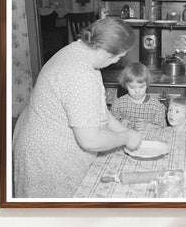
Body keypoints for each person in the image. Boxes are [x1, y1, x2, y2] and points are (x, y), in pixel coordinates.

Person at [13, 17, 142, 198]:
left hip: (36, 134)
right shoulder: (80, 75)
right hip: (47, 152)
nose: (118, 62)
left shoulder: (79, 51)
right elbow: (90, 140)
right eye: (119, 57)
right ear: (106, 52)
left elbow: (94, 105)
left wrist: (120, 129)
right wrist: (126, 137)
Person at [110, 62, 167, 131]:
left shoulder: (156, 106)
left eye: (141, 87)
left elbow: (163, 128)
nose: (137, 91)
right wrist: (119, 124)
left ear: (147, 84)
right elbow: (109, 126)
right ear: (125, 85)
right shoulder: (118, 104)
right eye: (132, 87)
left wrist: (148, 126)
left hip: (148, 141)